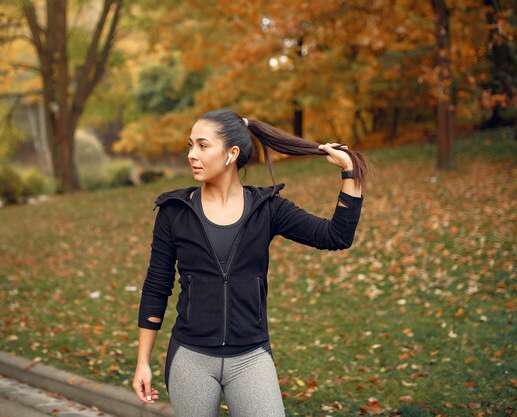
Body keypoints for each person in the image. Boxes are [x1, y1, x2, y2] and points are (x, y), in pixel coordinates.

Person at [132, 109, 369, 416]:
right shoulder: (174, 211)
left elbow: (335, 236)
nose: (192, 154)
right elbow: (156, 286)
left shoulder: (267, 209)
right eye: (190, 145)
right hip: (190, 357)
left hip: (250, 357)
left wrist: (350, 173)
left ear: (231, 154)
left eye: (202, 146)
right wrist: (142, 362)